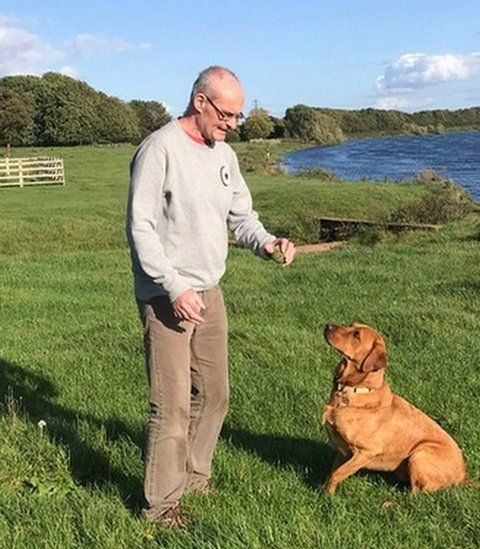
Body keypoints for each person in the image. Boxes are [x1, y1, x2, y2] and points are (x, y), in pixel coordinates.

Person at [126, 66, 296, 528]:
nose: (233, 125)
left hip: (209, 290)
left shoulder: (223, 154)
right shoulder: (159, 149)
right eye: (227, 114)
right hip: (167, 296)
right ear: (200, 101)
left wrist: (266, 242)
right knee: (173, 404)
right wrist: (174, 285)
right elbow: (139, 227)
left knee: (216, 394)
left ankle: (195, 479)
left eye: (238, 117)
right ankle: (161, 508)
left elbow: (242, 216)